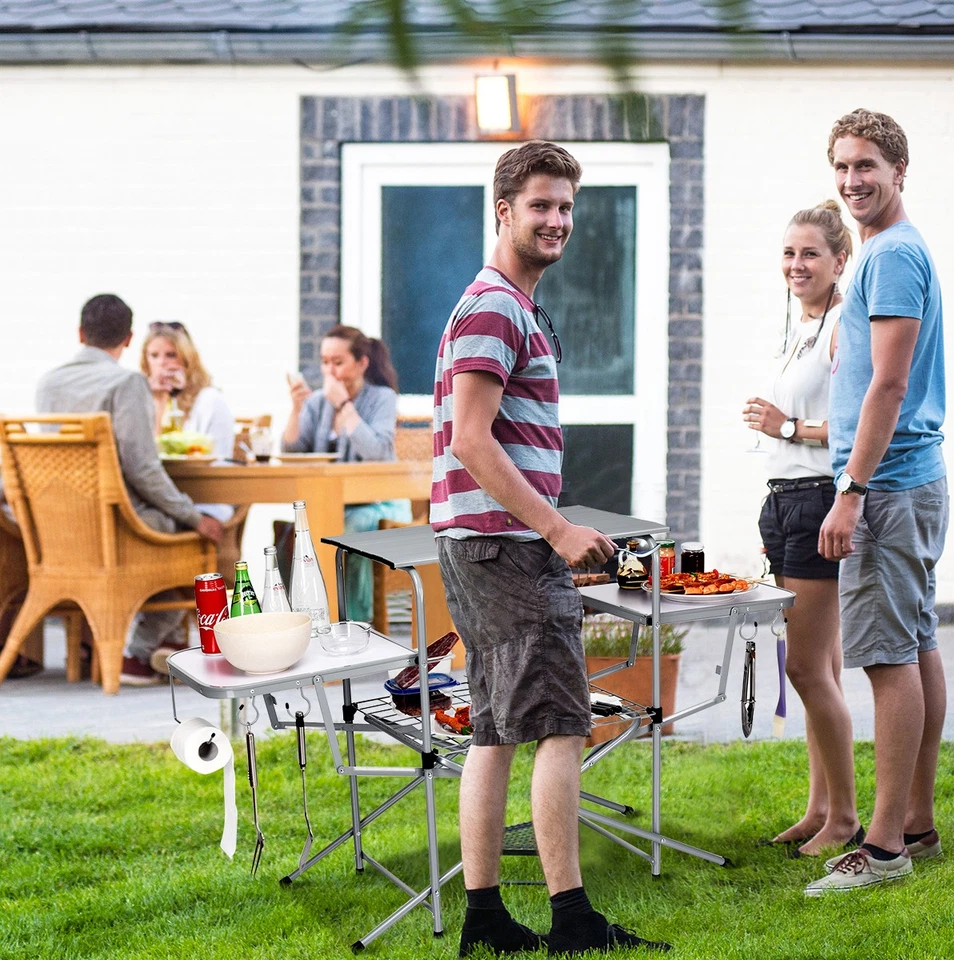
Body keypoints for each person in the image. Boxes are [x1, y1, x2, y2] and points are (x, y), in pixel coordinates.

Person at [432, 140, 671, 956]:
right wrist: (558, 530)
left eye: (566, 207)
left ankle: (485, 919)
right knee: (563, 725)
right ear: (503, 211)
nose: (557, 220)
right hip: (506, 549)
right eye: (540, 205)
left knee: (495, 729)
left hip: (484, 546)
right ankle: (572, 920)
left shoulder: (508, 305)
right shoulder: (495, 308)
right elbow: (470, 438)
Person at [805, 109, 948, 895]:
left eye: (867, 165)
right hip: (908, 481)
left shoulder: (891, 255)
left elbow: (889, 385)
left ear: (899, 170)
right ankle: (916, 824)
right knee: (917, 645)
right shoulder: (888, 252)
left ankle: (886, 847)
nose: (852, 179)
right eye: (842, 166)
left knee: (890, 659)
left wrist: (851, 493)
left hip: (888, 487)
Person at [743, 201, 861, 857]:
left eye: (810, 253)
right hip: (785, 502)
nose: (796, 264)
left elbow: (855, 427)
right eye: (789, 253)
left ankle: (844, 818)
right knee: (820, 670)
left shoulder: (844, 325)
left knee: (808, 670)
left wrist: (784, 426)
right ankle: (820, 808)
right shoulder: (803, 326)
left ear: (840, 260)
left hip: (818, 503)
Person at [36, 294, 223, 686]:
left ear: (80, 333)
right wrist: (193, 516)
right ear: (128, 338)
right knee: (197, 541)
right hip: (117, 527)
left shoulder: (48, 383)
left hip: (59, 530)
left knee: (176, 530)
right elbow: (142, 468)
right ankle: (137, 654)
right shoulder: (126, 382)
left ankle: (144, 647)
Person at [281, 325, 411, 621]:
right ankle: (300, 619)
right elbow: (291, 452)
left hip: (382, 503)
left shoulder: (382, 398)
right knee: (294, 534)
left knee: (343, 532)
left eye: (338, 362)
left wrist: (343, 405)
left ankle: (352, 622)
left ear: (362, 363)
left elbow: (377, 452)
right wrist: (296, 409)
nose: (330, 371)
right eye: (325, 362)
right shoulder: (317, 402)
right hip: (330, 505)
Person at [140, 321, 235, 522]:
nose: (162, 363)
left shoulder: (209, 400)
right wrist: (159, 401)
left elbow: (219, 462)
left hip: (201, 499)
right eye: (154, 356)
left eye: (170, 355)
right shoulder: (141, 400)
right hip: (157, 498)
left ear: (187, 360)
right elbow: (146, 457)